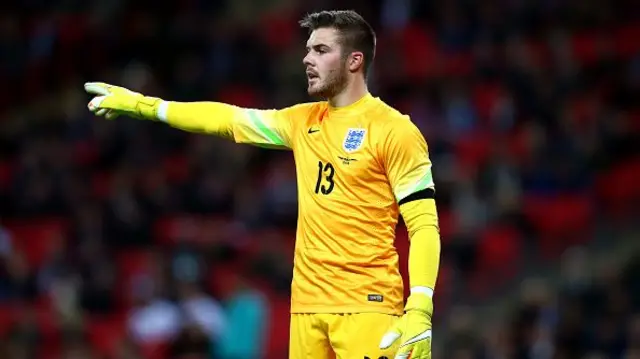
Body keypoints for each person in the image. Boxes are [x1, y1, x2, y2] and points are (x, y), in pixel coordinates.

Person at [85, 10, 440, 359]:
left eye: (320, 50)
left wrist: (420, 307)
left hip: (368, 306)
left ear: (354, 60)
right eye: (307, 50)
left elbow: (423, 224)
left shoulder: (396, 131)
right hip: (307, 309)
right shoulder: (302, 121)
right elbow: (227, 119)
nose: (306, 59)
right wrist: (148, 107)